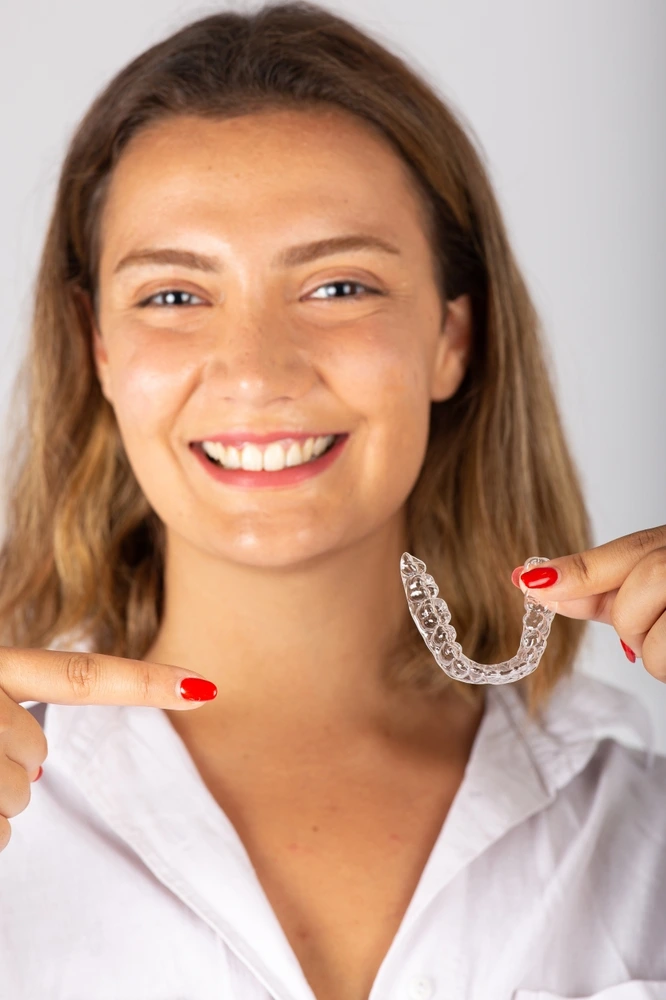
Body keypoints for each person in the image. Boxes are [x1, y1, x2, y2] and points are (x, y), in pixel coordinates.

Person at [0, 3, 664, 999]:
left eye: (339, 286)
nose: (258, 372)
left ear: (452, 337)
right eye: (174, 297)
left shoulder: (636, 810)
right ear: (99, 345)